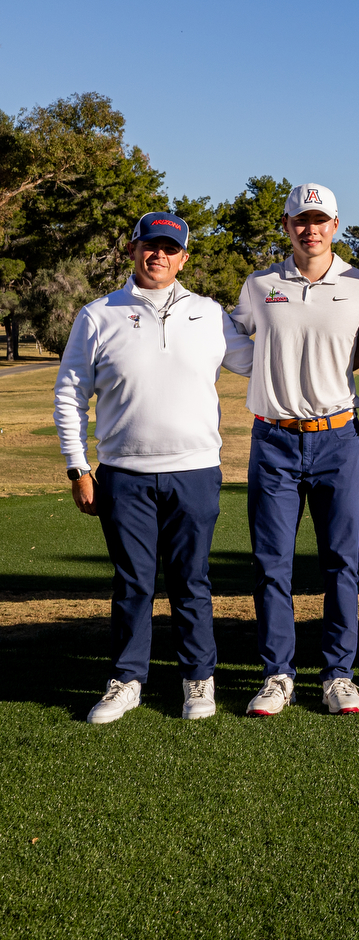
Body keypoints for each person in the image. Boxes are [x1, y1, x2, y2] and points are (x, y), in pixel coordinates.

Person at [57, 212, 254, 724]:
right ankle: (127, 680)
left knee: (192, 581)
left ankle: (198, 679)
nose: (158, 255)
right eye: (150, 245)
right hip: (123, 474)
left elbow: (259, 362)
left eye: (170, 248)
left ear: (183, 257)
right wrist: (78, 468)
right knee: (133, 584)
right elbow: (69, 394)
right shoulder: (98, 315)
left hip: (195, 471)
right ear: (132, 249)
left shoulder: (209, 314)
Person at [231, 183, 359, 717]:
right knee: (272, 563)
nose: (310, 229)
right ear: (287, 225)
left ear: (335, 225)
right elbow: (229, 335)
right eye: (300, 220)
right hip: (273, 439)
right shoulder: (260, 284)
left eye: (320, 220)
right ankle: (278, 674)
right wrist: (263, 367)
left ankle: (339, 674)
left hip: (337, 439)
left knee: (342, 562)